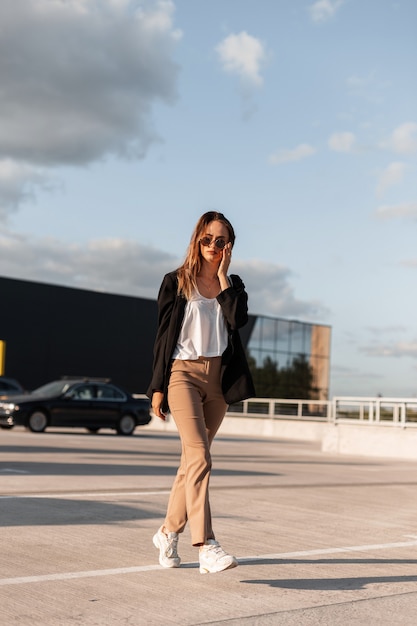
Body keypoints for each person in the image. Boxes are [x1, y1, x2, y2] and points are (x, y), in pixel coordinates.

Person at [147, 211, 255, 574]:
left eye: (221, 241)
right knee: (200, 456)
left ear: (230, 247)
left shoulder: (233, 285)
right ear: (197, 240)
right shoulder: (176, 282)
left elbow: (238, 320)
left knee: (192, 462)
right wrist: (157, 387)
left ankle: (167, 532)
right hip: (183, 374)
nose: (213, 246)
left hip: (218, 381)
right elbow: (163, 339)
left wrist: (223, 277)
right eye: (207, 239)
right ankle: (206, 544)